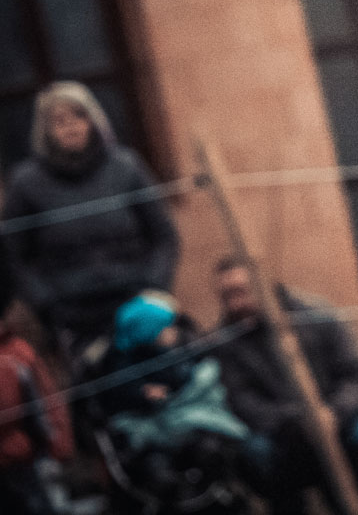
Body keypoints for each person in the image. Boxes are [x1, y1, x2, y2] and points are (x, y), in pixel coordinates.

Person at [1, 82, 178, 353]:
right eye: (59, 121)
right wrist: (47, 303)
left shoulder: (126, 167)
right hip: (72, 315)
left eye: (78, 116)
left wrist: (154, 286)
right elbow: (13, 254)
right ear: (45, 129)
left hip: (137, 300)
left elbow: (164, 235)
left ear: (93, 119)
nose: (70, 127)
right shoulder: (26, 184)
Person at [210, 259, 358, 515]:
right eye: (226, 296)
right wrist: (297, 420)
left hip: (336, 424)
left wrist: (333, 412)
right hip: (280, 438)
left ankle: (339, 497)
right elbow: (240, 400)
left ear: (264, 286)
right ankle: (288, 505)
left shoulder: (315, 316)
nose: (234, 304)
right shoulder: (226, 342)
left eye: (240, 292)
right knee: (253, 453)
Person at [90, 291, 253, 509]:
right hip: (150, 436)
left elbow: (186, 376)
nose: (174, 331)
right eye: (166, 328)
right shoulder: (121, 363)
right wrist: (142, 393)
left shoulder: (169, 352)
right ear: (149, 332)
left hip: (185, 426)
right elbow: (121, 393)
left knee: (212, 452)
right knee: (160, 474)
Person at [0, 311, 73, 515]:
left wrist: (55, 443)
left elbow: (42, 405)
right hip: (22, 453)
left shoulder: (16, 352)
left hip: (24, 454)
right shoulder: (16, 352)